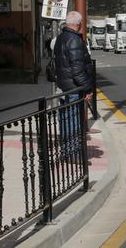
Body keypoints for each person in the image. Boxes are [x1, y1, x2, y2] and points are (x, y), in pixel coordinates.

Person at [53, 11, 94, 159]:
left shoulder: (60, 38)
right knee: (73, 121)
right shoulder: (74, 40)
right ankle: (73, 154)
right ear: (79, 24)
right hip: (73, 89)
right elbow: (78, 70)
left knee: (64, 120)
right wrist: (87, 89)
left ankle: (66, 151)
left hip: (63, 86)